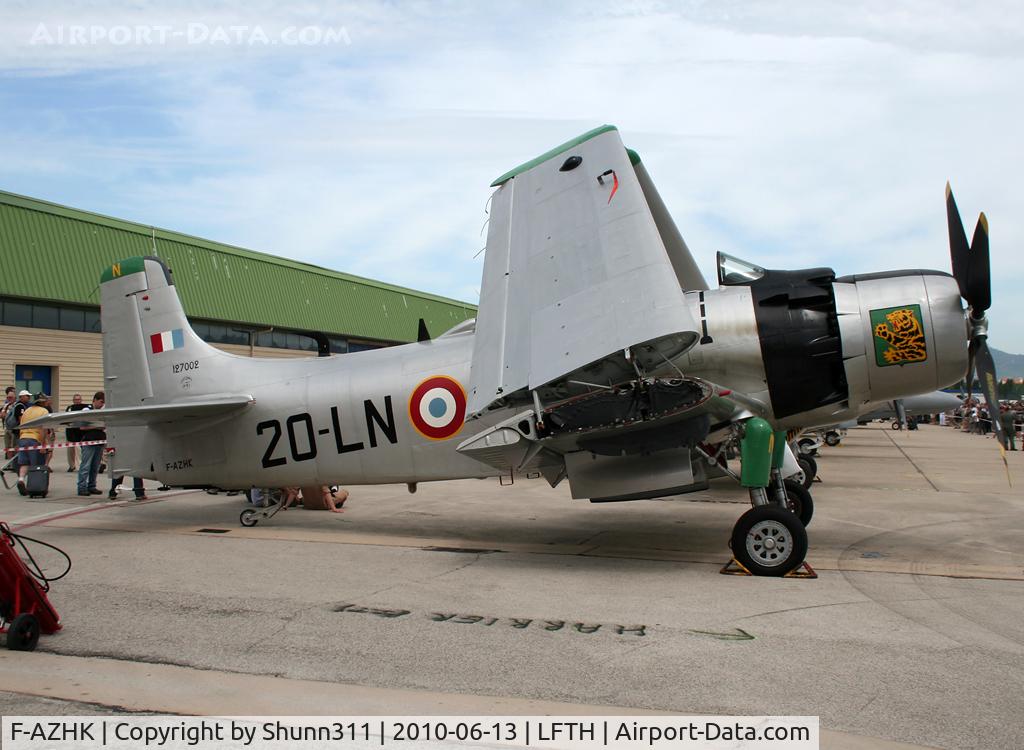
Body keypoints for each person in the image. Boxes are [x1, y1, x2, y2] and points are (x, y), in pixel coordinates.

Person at [14, 393, 50, 496]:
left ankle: (21, 479)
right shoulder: (44, 411)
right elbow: (43, 428)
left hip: (23, 438)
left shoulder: (27, 410)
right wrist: (43, 445)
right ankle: (35, 486)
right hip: (34, 440)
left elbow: (21, 424)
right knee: (36, 465)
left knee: (24, 463)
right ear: (43, 402)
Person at [76, 391, 106, 497]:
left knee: (95, 466)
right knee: (86, 465)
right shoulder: (87, 410)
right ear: (95, 400)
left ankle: (92, 485)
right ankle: (81, 487)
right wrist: (97, 426)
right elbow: (82, 427)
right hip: (89, 441)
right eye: (101, 402)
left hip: (99, 440)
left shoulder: (102, 411)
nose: (102, 404)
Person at [64, 393, 87, 471]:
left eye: (78, 399)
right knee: (70, 450)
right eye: (75, 399)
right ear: (73, 401)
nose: (77, 401)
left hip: (80, 432)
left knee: (80, 451)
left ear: (81, 400)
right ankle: (71, 466)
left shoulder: (85, 408)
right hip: (71, 432)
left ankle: (81, 465)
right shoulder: (69, 408)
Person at [1, 386, 15, 457]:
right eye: (8, 397)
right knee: (7, 446)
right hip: (7, 428)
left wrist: (7, 414)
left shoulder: (17, 405)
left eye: (10, 397)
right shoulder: (6, 405)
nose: (9, 399)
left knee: (13, 446)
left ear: (14, 397)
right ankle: (9, 463)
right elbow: (2, 415)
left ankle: (13, 463)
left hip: (14, 429)